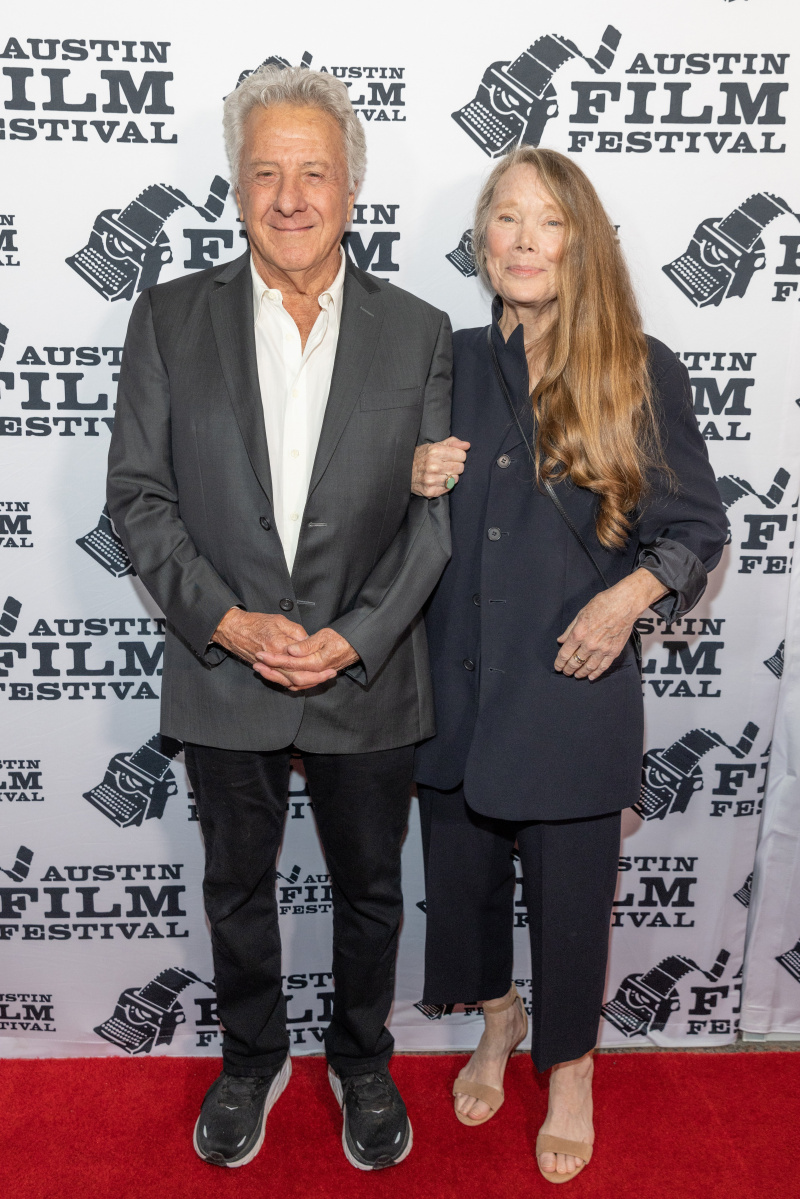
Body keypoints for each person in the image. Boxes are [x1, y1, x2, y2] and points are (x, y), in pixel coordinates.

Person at [107, 65, 452, 1172]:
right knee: (236, 887)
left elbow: (432, 525)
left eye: (314, 172)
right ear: (235, 185)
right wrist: (231, 622)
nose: (291, 196)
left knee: (367, 889)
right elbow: (138, 499)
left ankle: (361, 1058)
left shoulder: (422, 329)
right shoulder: (165, 317)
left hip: (370, 672)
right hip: (224, 671)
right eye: (267, 172)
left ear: (351, 185)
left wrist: (353, 634)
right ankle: (248, 1058)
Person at [411, 146, 727, 1184]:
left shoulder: (640, 366)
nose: (523, 241)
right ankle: (497, 1020)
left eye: (546, 222)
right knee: (456, 892)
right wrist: (408, 475)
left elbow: (693, 526)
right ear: (480, 240)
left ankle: (573, 1065)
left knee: (571, 899)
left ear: (579, 241)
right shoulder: (442, 359)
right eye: (504, 219)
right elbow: (375, 518)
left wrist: (629, 594)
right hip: (450, 683)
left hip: (573, 685)